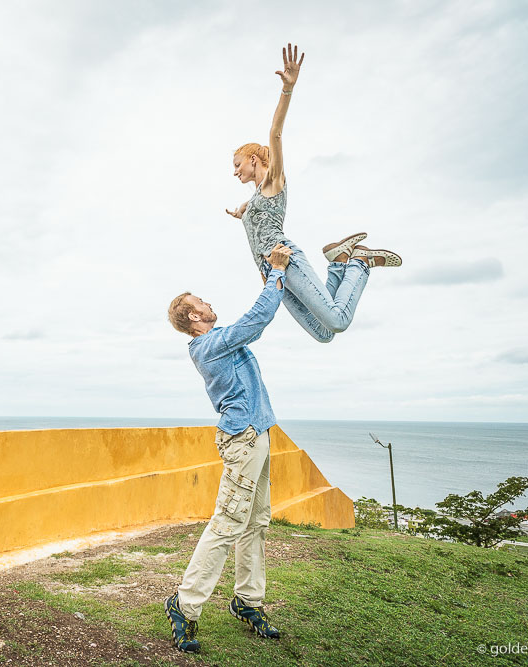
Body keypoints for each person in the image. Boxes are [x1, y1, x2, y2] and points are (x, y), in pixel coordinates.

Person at [163, 242, 293, 653]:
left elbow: (255, 319)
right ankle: (184, 606)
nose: (208, 301)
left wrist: (273, 283)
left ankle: (247, 601)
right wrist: (276, 274)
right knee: (226, 524)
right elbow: (256, 321)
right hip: (243, 439)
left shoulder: (217, 340)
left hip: (259, 433)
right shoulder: (207, 345)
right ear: (193, 316)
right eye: (200, 300)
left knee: (256, 522)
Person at [225, 44, 402, 343]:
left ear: (253, 159)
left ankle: (359, 262)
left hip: (285, 259)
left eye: (237, 164)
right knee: (324, 334)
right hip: (272, 272)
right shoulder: (256, 197)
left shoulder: (273, 180)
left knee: (337, 321)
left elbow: (275, 133)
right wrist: (242, 211)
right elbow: (257, 214)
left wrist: (287, 90)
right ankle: (338, 261)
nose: (234, 171)